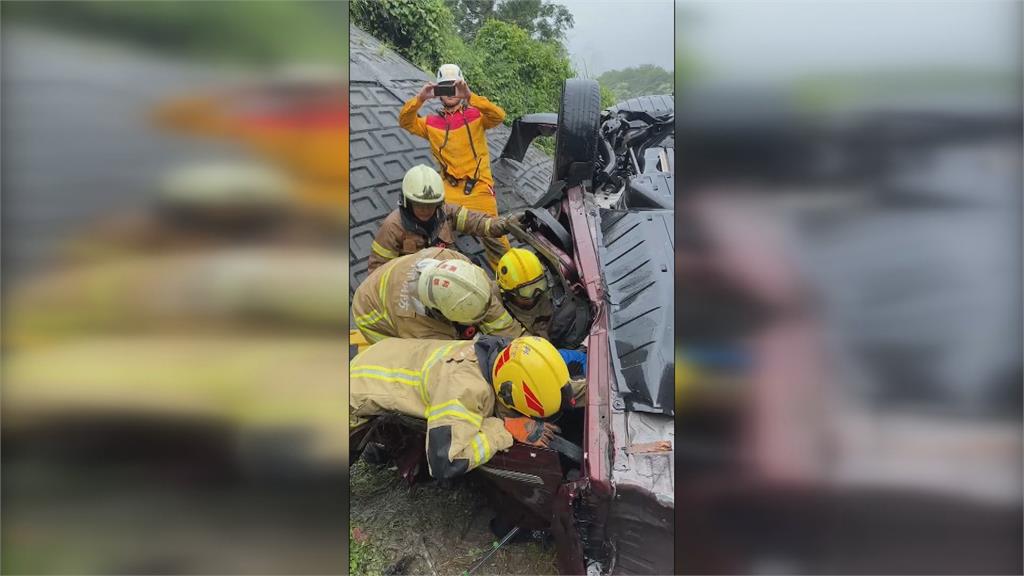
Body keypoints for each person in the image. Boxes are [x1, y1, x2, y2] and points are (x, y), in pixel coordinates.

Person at [350, 335, 572, 479]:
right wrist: (503, 429)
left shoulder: (503, 354)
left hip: (383, 355)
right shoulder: (463, 390)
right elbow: (444, 462)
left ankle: (379, 447)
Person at [398, 64, 510, 270]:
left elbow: (499, 116)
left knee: (497, 241)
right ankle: (436, 274)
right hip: (448, 190)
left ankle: (510, 283)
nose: (450, 93)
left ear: (461, 87)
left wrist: (470, 96)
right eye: (444, 88)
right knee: (431, 234)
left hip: (480, 188)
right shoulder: (431, 123)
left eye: (454, 87)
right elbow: (405, 121)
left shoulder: (476, 115)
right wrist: (420, 98)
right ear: (439, 93)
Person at [368, 164, 519, 274]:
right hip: (413, 279)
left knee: (473, 264)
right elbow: (378, 271)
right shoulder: (392, 227)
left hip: (443, 270)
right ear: (406, 202)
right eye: (420, 205)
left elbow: (479, 223)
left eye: (432, 205)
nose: (426, 210)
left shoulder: (445, 212)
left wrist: (506, 224)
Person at [353, 246, 522, 344]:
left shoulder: (453, 259)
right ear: (439, 311)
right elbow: (449, 358)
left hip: (390, 282)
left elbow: (490, 308)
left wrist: (519, 340)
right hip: (371, 316)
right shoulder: (417, 327)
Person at [496, 247, 588, 376]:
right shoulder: (500, 312)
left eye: (539, 284)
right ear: (509, 292)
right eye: (527, 291)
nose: (536, 293)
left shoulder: (554, 293)